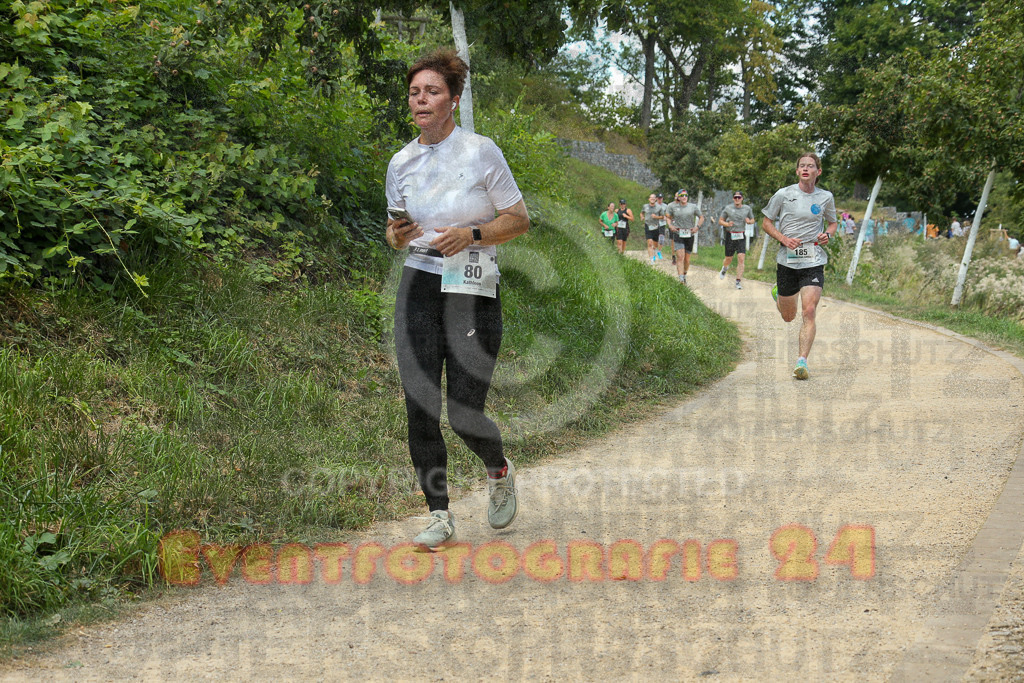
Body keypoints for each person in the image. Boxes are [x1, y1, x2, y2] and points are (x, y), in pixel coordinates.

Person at [385, 49, 529, 549]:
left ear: (453, 99)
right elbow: (394, 229)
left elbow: (518, 219)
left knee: (465, 409)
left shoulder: (481, 152)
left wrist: (471, 232)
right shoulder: (400, 162)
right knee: (420, 406)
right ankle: (439, 514)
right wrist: (397, 236)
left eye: (432, 91)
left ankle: (498, 469)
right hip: (419, 284)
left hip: (471, 285)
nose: (421, 99)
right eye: (414, 92)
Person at [761, 152, 838, 380]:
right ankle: (778, 294)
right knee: (788, 316)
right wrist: (784, 239)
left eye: (811, 166)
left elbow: (833, 223)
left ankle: (802, 361)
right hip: (787, 259)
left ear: (818, 171)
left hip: (813, 259)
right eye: (802, 166)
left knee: (809, 310)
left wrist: (827, 235)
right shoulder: (784, 194)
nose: (806, 169)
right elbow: (766, 222)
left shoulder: (825, 197)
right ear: (797, 171)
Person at [663, 188, 703, 283]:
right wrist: (670, 225)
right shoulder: (672, 207)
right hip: (678, 233)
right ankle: (681, 278)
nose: (684, 197)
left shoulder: (693, 206)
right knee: (680, 257)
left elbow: (701, 217)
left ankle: (684, 273)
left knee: (687, 259)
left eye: (686, 195)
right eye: (682, 196)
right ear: (678, 197)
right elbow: (668, 217)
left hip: (689, 234)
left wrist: (697, 227)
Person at [718, 191, 755, 290]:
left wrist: (749, 221)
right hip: (730, 235)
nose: (737, 199)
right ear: (733, 199)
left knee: (741, 258)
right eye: (735, 197)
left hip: (741, 235)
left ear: (742, 198)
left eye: (739, 197)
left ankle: (738, 281)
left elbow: (753, 220)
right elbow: (720, 220)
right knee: (728, 259)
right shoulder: (728, 208)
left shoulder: (747, 209)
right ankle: (725, 268)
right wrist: (727, 224)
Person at [640, 193, 664, 262]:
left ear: (655, 199)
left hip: (656, 226)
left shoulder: (659, 207)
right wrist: (642, 216)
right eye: (651, 198)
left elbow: (662, 216)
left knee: (655, 244)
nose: (652, 199)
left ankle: (655, 251)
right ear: (649, 199)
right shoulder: (645, 206)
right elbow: (642, 212)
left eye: (654, 198)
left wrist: (656, 217)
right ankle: (651, 259)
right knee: (650, 243)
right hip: (648, 225)